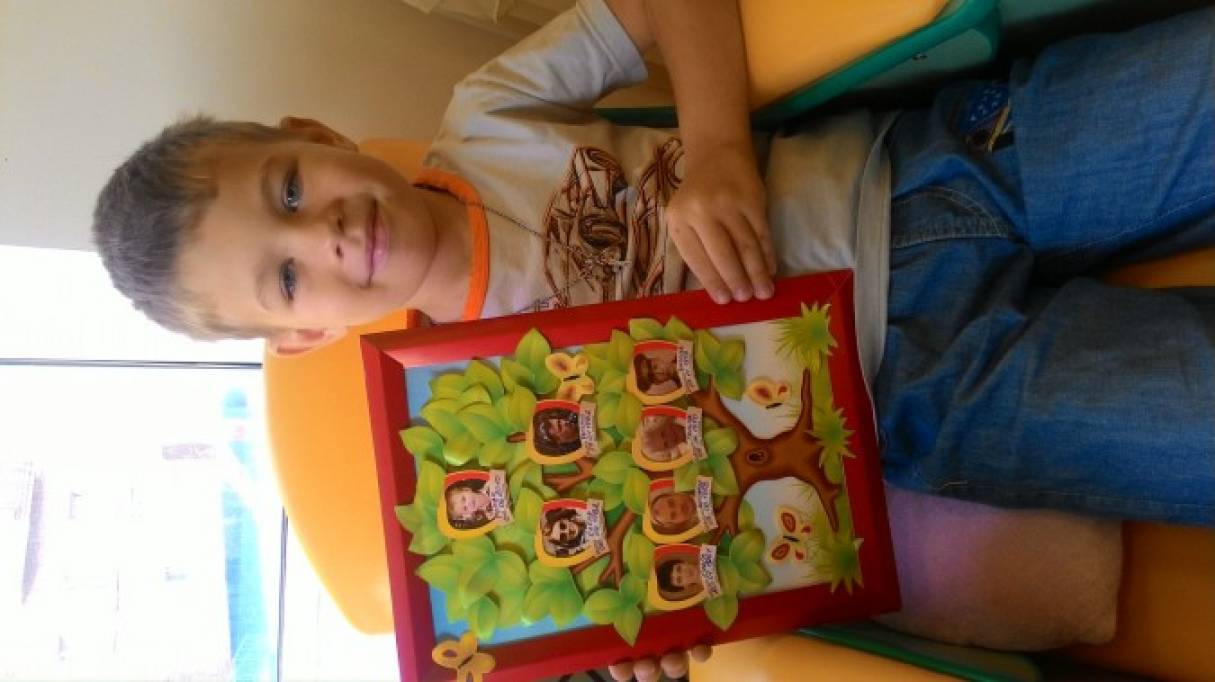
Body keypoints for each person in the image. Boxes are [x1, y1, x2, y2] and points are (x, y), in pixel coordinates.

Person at [90, 0, 1215, 677]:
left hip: (935, 175)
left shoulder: (486, 114)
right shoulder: (479, 440)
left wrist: (715, 146)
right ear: (299, 337)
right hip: (920, 392)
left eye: (289, 187)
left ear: (313, 133)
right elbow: (673, 538)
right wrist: (652, 616)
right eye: (287, 274)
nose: (326, 233)